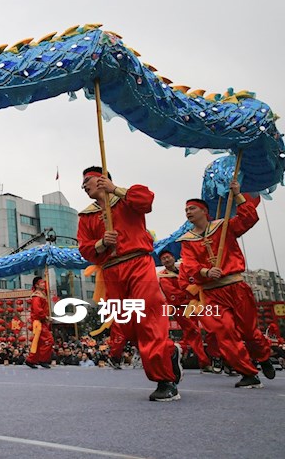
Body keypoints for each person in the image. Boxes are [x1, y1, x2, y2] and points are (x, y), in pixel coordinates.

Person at [77, 167, 181, 401]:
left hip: (138, 263)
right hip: (112, 271)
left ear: (103, 180)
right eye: (82, 183)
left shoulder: (126, 198)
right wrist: (102, 243)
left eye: (88, 180)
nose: (84, 185)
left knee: (148, 319)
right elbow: (85, 249)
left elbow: (147, 200)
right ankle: (168, 353)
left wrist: (115, 190)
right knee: (129, 326)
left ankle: (165, 381)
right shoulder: (86, 216)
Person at [176, 182, 275, 388]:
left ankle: (264, 357)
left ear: (204, 211)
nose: (188, 212)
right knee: (223, 332)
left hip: (236, 287)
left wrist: (238, 195)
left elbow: (249, 218)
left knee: (250, 332)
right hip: (212, 293)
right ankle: (248, 373)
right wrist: (205, 272)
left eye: (192, 208)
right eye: (186, 210)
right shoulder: (187, 240)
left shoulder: (224, 227)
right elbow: (190, 265)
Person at [157, 250, 212, 372]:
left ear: (173, 257)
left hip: (196, 305)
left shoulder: (184, 269)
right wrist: (192, 292)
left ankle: (178, 351)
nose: (166, 260)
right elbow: (173, 294)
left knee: (206, 330)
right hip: (180, 308)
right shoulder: (163, 277)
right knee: (193, 332)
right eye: (163, 259)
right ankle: (204, 362)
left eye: (168, 257)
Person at [25, 276, 53, 369]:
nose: (44, 284)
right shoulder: (37, 296)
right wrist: (45, 317)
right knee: (48, 340)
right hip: (39, 322)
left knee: (39, 342)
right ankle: (42, 359)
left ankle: (31, 360)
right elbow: (38, 310)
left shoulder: (41, 294)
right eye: (42, 283)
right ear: (37, 285)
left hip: (41, 321)